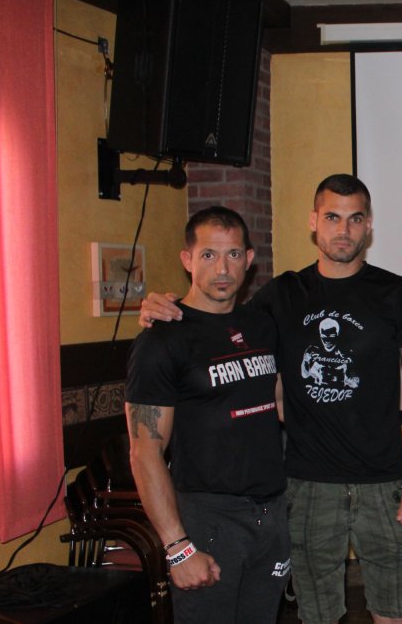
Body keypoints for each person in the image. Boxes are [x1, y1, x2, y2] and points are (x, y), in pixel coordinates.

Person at [139, 175, 402, 624]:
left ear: (369, 225)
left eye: (355, 218)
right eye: (332, 217)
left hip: (385, 483)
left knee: (393, 610)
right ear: (313, 222)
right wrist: (159, 306)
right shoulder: (279, 296)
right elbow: (212, 315)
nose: (343, 230)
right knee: (317, 615)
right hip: (305, 485)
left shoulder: (395, 293)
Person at [125, 206, 289, 624]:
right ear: (187, 260)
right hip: (207, 521)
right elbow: (145, 453)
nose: (222, 268)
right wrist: (177, 547)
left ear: (249, 260)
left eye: (233, 255)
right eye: (209, 255)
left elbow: (281, 404)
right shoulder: (162, 340)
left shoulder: (261, 325)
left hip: (269, 518)